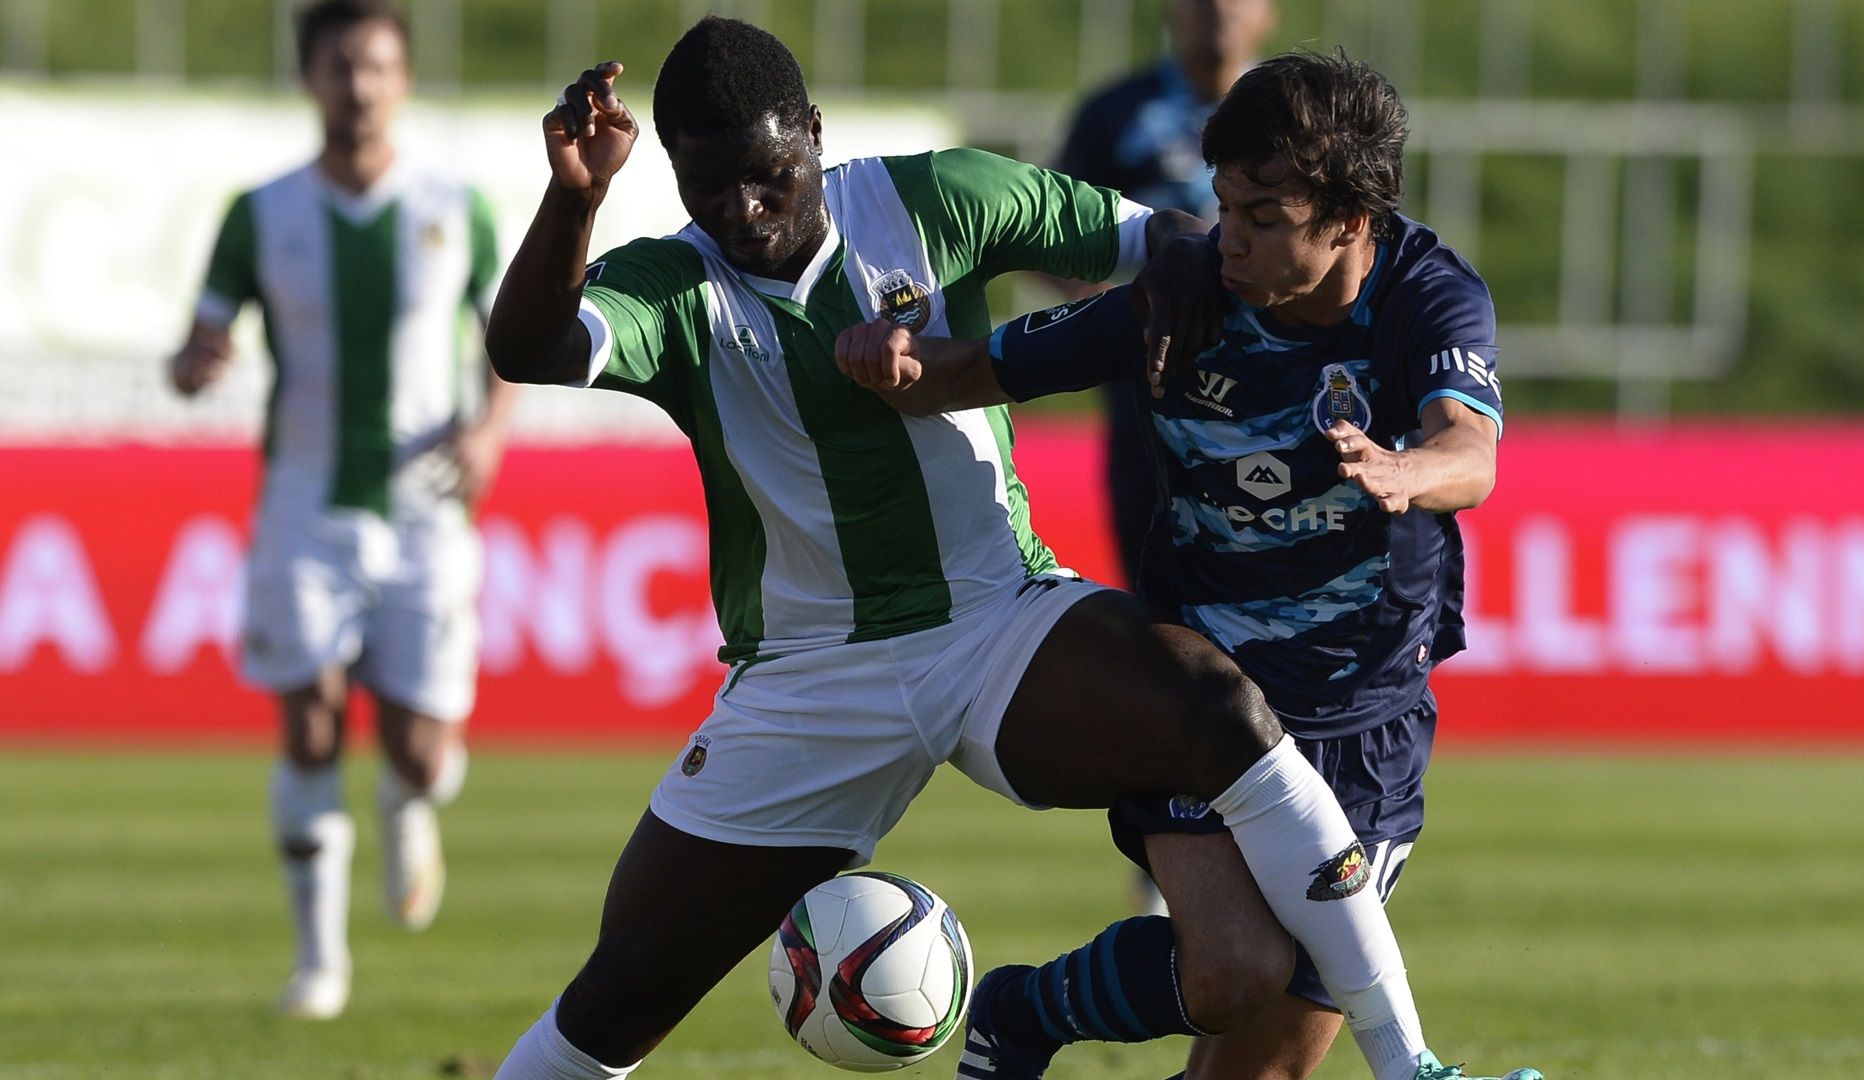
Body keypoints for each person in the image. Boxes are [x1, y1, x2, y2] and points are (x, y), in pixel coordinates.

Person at [487, 19, 1513, 1080]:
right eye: (709, 188)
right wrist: (575, 199)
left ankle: (1407, 1066)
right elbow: (529, 348)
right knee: (619, 999)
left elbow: (1164, 239)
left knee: (1219, 713)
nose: (744, 210)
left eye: (769, 176)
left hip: (995, 621)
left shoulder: (941, 196)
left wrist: (1187, 273)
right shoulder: (673, 285)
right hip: (807, 677)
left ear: (814, 135)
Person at [835, 50, 1533, 1080]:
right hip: (1201, 703)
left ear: (1350, 220)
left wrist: (1404, 470)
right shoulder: (1186, 295)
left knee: (1260, 1069)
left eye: (1262, 217)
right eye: (1225, 205)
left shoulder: (1426, 294)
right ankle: (1024, 1011)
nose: (1228, 237)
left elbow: (1470, 453)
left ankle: (1027, 1014)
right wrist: (894, 362)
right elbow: (978, 368)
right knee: (1231, 970)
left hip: (1366, 710)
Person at [167, 0, 516, 1021]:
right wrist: (195, 364)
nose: (357, 85)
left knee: (421, 755)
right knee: (310, 730)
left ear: (403, 79)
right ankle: (319, 962)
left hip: (426, 514)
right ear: (308, 78)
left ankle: (410, 802)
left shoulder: (455, 208)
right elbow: (194, 349)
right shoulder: (260, 212)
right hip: (303, 510)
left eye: (375, 66)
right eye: (338, 66)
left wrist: (490, 433)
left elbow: (509, 346)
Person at [1056, 0, 1276, 594]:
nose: (1220, 9)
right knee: (1156, 585)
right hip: (1151, 383)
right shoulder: (1114, 113)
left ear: (1270, 12)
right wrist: (1103, 300)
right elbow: (1049, 239)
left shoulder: (1301, 115)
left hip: (1276, 377)